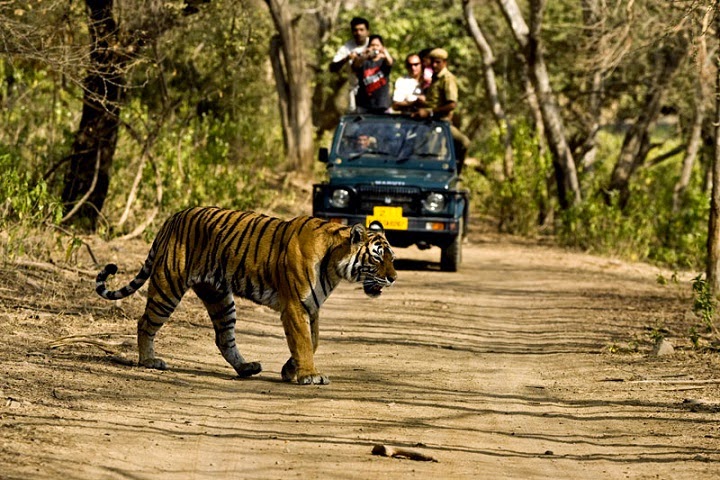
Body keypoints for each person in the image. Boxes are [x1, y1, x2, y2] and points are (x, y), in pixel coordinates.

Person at [412, 48, 470, 174]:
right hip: (429, 121)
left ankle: (456, 174)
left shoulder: (447, 79)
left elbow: (451, 105)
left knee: (463, 143)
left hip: (440, 122)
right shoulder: (435, 78)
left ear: (445, 62)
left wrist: (430, 112)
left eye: (438, 62)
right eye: (432, 62)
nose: (434, 65)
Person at [329, 17, 370, 113]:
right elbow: (332, 68)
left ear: (367, 31)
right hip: (355, 90)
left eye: (361, 30)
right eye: (355, 30)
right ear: (352, 32)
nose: (358, 33)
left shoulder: (373, 43)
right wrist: (347, 58)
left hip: (374, 89)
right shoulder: (346, 48)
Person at [352, 34, 393, 114]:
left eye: (377, 45)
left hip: (382, 104)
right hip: (364, 105)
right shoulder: (364, 61)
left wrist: (384, 52)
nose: (375, 48)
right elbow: (355, 65)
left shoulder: (384, 61)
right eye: (372, 45)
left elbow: (390, 62)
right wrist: (365, 55)